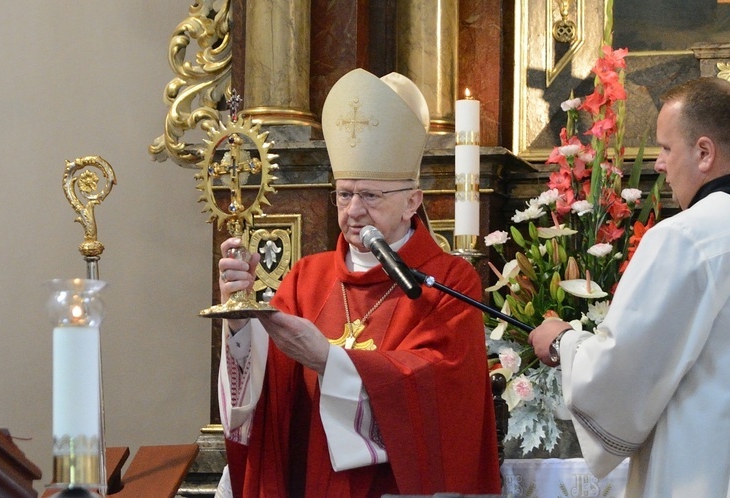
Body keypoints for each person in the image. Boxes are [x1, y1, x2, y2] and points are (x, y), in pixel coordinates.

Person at [213, 68, 501, 497]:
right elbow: (268, 395)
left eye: (370, 195)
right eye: (344, 194)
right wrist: (240, 322)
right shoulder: (307, 277)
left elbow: (444, 392)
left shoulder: (447, 281)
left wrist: (331, 362)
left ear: (412, 202)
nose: (353, 211)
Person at [529, 76, 730, 497]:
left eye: (667, 148)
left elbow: (623, 369)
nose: (659, 163)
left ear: (705, 152)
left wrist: (563, 343)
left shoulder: (687, 238)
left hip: (697, 472)